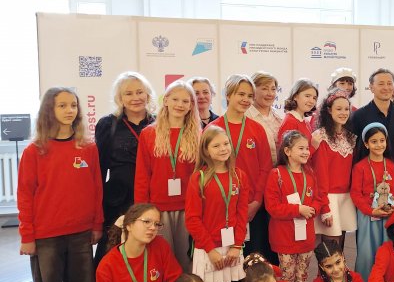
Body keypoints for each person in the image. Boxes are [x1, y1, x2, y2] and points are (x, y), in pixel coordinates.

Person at [18, 87, 103, 282]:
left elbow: (96, 188)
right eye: (62, 105)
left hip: (80, 232)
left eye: (73, 105)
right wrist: (27, 235)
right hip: (46, 236)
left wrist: (96, 224)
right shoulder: (34, 151)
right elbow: (25, 195)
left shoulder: (88, 148)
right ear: (49, 110)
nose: (69, 110)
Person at [185, 125, 249, 282]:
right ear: (206, 150)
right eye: (216, 145)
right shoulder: (199, 178)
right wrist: (210, 249)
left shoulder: (239, 176)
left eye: (226, 144)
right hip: (208, 249)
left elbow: (242, 214)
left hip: (232, 247)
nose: (223, 149)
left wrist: (237, 246)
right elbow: (192, 219)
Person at [208, 74, 274, 263]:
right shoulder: (213, 129)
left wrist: (256, 201)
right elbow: (206, 170)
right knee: (227, 260)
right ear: (228, 95)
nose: (246, 99)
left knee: (254, 259)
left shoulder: (257, 129)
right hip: (223, 206)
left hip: (253, 206)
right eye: (241, 94)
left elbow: (265, 168)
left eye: (250, 96)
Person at [135, 80, 199, 271]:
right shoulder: (149, 134)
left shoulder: (198, 135)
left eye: (185, 101)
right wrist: (141, 212)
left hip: (188, 208)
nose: (180, 105)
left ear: (191, 105)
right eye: (175, 99)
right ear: (166, 101)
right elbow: (142, 176)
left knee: (187, 261)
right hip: (158, 209)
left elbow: (202, 176)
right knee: (161, 261)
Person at [95, 72, 156, 265]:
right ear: (120, 98)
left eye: (140, 92)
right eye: (128, 93)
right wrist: (97, 210)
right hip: (118, 199)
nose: (135, 98)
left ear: (147, 94)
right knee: (111, 252)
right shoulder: (108, 124)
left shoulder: (159, 122)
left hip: (151, 197)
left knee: (149, 251)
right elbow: (99, 169)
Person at [265, 131, 322, 282]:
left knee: (302, 279)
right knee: (287, 280)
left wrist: (313, 209)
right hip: (285, 238)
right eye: (301, 148)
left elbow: (318, 199)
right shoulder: (276, 174)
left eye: (307, 148)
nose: (306, 152)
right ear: (287, 151)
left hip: (306, 238)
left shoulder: (310, 173)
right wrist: (298, 209)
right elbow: (272, 207)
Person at [350, 123, 394, 282]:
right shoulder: (360, 167)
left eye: (382, 140)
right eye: (374, 141)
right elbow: (355, 193)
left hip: (389, 215)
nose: (379, 145)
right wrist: (371, 210)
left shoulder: (392, 165)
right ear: (366, 144)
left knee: (388, 251)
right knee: (367, 253)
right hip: (368, 217)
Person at [311, 88, 357, 250]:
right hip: (328, 197)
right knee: (331, 249)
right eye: (339, 109)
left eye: (346, 109)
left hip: (346, 197)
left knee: (340, 249)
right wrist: (325, 207)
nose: (343, 113)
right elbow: (320, 175)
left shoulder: (350, 137)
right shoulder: (320, 136)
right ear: (329, 110)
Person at [350, 68, 394, 167]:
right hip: (368, 173)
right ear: (371, 87)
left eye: (389, 83)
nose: (386, 87)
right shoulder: (358, 116)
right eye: (381, 84)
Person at [246, 71, 285, 165]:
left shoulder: (279, 115)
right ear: (253, 91)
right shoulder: (245, 117)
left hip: (279, 170)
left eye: (273, 89)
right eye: (265, 89)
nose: (270, 93)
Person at [278, 78, 318, 149]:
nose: (312, 101)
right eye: (307, 96)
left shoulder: (305, 121)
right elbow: (286, 153)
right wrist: (313, 146)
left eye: (314, 98)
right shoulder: (290, 122)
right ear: (295, 96)